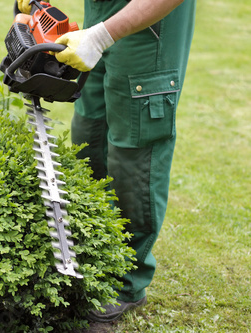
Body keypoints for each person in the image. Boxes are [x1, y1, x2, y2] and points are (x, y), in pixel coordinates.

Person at [18, 0, 196, 323]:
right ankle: (93, 255)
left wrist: (101, 37)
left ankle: (128, 280)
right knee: (89, 132)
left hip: (151, 24)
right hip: (101, 10)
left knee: (134, 148)